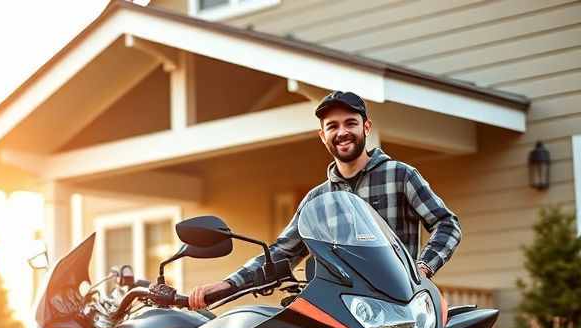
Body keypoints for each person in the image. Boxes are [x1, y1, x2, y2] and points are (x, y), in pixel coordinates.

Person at [188, 90, 462, 309]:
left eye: (350, 123)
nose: (341, 132)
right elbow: (282, 252)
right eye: (332, 126)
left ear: (366, 127)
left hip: (397, 306)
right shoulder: (317, 199)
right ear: (323, 136)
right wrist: (227, 285)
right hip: (341, 313)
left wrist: (422, 269)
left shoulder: (399, 175)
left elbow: (447, 224)